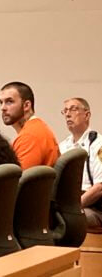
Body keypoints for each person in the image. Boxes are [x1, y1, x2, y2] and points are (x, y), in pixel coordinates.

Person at [60, 97, 102, 229]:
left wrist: (74, 207)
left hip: (93, 206)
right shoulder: (62, 146)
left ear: (87, 115)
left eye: (73, 109)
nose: (68, 114)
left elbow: (100, 187)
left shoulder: (99, 145)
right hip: (68, 203)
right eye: (65, 111)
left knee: (71, 219)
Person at [0, 81, 60, 170]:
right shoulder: (36, 127)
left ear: (26, 105)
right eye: (1, 102)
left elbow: (18, 181)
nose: (2, 108)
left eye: (9, 101)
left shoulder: (29, 136)